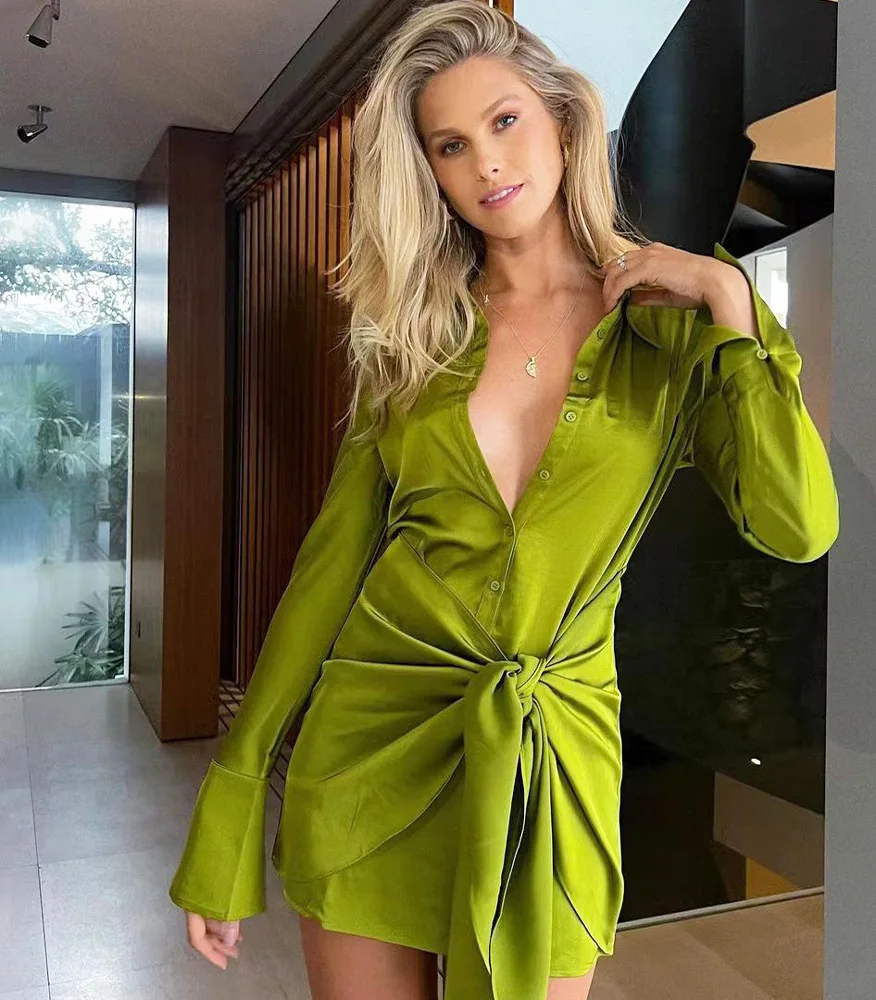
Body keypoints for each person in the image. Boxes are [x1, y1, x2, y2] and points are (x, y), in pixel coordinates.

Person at [168, 2, 840, 998]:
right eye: (451, 145)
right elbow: (328, 568)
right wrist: (230, 797)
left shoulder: (679, 320)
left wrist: (733, 313)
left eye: (505, 121)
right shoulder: (414, 333)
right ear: (430, 173)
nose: (486, 163)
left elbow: (797, 525)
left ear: (563, 121)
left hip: (549, 759)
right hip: (374, 744)